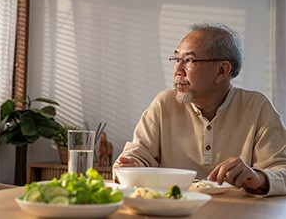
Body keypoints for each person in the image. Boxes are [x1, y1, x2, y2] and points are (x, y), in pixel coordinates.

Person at [113, 22, 286, 197]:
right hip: (174, 210)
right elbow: (137, 155)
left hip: (236, 212)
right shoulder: (164, 104)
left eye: (188, 60)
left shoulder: (257, 107)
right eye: (176, 59)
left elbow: (283, 171)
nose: (177, 70)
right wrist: (128, 165)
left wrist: (258, 178)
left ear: (221, 70)